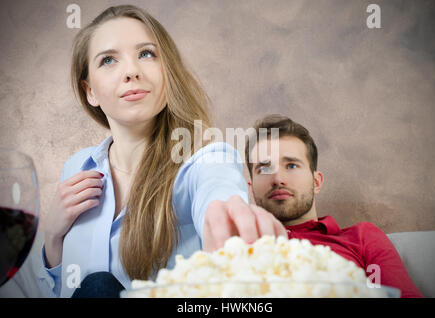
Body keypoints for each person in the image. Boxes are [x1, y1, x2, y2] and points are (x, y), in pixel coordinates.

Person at [37, 5, 286, 298]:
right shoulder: (76, 168)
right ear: (89, 90)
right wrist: (53, 238)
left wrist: (228, 213)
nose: (131, 71)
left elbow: (216, 184)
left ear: (167, 72)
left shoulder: (203, 159)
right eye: (108, 60)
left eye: (146, 54)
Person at [245, 114, 424, 298]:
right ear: (250, 188)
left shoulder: (362, 238)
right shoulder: (238, 246)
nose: (278, 179)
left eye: (291, 166)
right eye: (264, 168)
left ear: (316, 182)